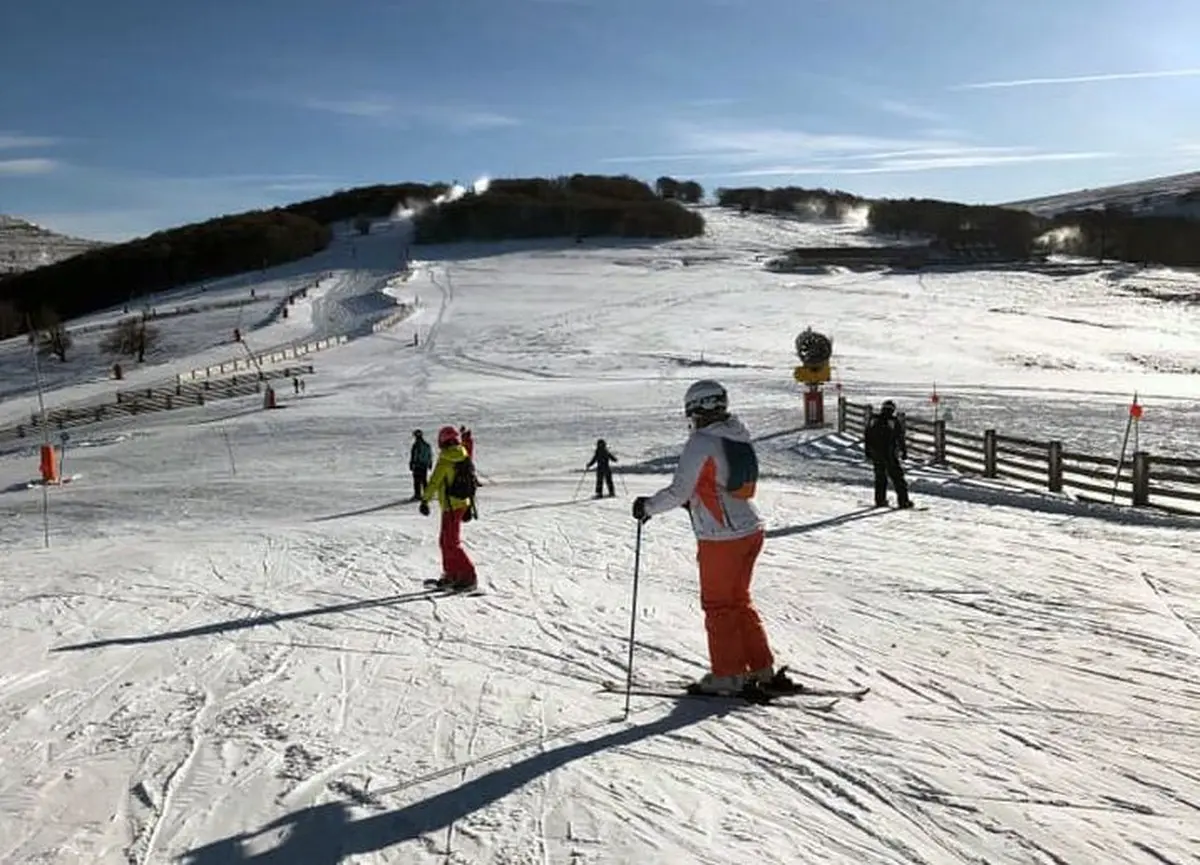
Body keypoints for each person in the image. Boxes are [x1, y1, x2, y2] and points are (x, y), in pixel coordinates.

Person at [631, 379, 791, 696]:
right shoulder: (737, 435)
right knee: (738, 601)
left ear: (696, 408)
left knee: (718, 605)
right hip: (749, 529)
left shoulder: (702, 441)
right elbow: (716, 485)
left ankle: (728, 674)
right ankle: (760, 668)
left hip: (722, 538)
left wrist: (648, 506)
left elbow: (679, 491)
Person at [419, 425, 478, 590]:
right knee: (445, 542)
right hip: (461, 504)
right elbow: (469, 453)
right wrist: (468, 440)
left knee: (450, 542)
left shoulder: (446, 458)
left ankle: (468, 576)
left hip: (451, 506)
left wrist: (425, 500)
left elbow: (435, 481)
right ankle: (451, 574)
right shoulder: (462, 453)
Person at [864, 399, 913, 509]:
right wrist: (903, 451)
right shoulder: (893, 421)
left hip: (876, 453)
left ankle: (880, 500)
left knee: (880, 477)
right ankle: (903, 501)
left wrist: (867, 451)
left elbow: (867, 436)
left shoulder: (874, 419)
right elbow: (900, 437)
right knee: (898, 478)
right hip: (889, 454)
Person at [409, 429, 433, 501]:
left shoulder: (416, 445)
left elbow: (414, 455)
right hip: (424, 465)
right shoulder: (427, 445)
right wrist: (429, 463)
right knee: (424, 480)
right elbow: (429, 455)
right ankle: (427, 494)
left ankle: (417, 495)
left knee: (417, 481)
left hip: (418, 465)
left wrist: (412, 463)